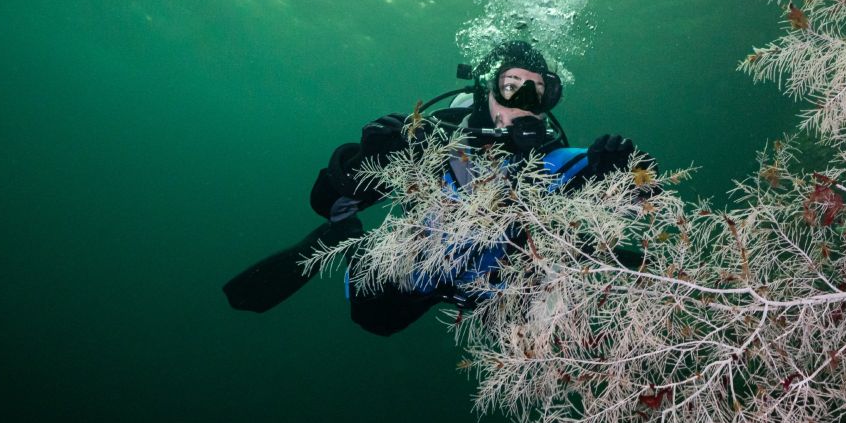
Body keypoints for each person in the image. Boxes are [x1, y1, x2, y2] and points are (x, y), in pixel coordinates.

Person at [224, 40, 646, 336]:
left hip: (493, 286)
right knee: (375, 319)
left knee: (537, 326)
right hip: (420, 268)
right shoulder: (437, 139)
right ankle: (346, 241)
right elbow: (324, 200)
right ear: (487, 86)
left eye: (538, 90)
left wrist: (626, 170)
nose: (524, 100)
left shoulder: (555, 156)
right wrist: (367, 160)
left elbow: (640, 206)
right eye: (512, 85)